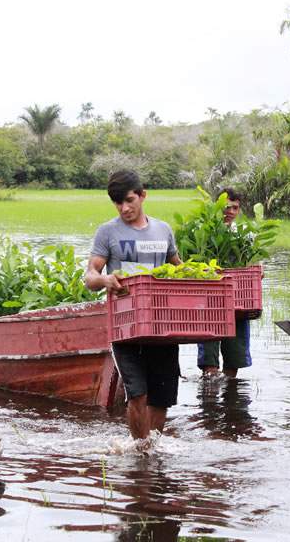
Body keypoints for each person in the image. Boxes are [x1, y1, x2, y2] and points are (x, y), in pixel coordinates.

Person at [85, 170, 182, 440]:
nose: (124, 208)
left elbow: (180, 270)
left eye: (129, 200)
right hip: (125, 327)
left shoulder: (163, 230)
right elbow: (90, 276)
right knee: (137, 394)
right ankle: (141, 452)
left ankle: (151, 451)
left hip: (162, 326)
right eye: (118, 203)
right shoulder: (107, 232)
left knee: (162, 398)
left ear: (142, 195)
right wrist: (105, 279)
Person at [197, 187, 252, 379]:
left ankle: (230, 398)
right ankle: (210, 400)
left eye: (234, 208)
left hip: (238, 300)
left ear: (239, 210)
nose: (230, 211)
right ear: (217, 207)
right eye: (226, 207)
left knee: (234, 359)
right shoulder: (204, 232)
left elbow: (254, 264)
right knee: (209, 359)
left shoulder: (244, 235)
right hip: (210, 302)